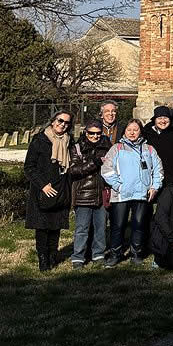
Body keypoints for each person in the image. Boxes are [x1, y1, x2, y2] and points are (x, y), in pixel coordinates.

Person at [101, 118, 164, 266]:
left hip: (142, 194)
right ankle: (115, 253)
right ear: (124, 131)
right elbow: (107, 169)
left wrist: (154, 187)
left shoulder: (149, 149)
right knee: (118, 225)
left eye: (135, 130)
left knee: (139, 224)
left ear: (140, 131)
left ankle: (136, 253)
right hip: (121, 194)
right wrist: (118, 185)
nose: (132, 132)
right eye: (129, 130)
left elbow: (158, 170)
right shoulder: (117, 148)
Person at [25, 109, 74, 272]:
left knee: (56, 226)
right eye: (60, 121)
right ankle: (43, 259)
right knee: (42, 227)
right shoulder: (40, 140)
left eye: (66, 122)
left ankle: (53, 256)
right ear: (53, 121)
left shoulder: (69, 140)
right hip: (43, 189)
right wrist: (43, 185)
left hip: (60, 187)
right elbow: (29, 167)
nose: (63, 125)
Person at [68, 119, 109, 268]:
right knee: (82, 228)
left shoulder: (107, 146)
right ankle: (78, 256)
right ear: (86, 132)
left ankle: (98, 254)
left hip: (102, 192)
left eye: (98, 133)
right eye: (91, 133)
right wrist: (94, 163)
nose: (95, 136)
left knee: (101, 228)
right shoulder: (77, 148)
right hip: (83, 193)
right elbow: (73, 170)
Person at [143, 106, 173, 186]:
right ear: (154, 120)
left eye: (165, 118)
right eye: (159, 118)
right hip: (150, 177)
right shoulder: (146, 133)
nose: (163, 121)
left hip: (170, 178)